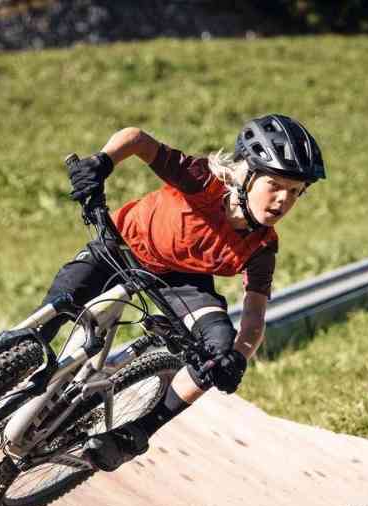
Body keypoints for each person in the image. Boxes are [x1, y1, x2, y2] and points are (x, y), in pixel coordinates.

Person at [32, 115, 325, 472]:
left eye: (296, 191)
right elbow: (137, 139)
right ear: (246, 174)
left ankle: (133, 435)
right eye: (274, 185)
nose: (283, 200)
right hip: (122, 248)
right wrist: (101, 162)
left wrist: (238, 357)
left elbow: (254, 319)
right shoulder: (203, 181)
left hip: (181, 281)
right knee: (54, 312)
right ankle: (15, 367)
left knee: (219, 349)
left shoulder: (262, 245)